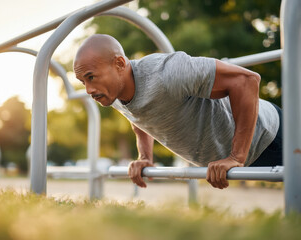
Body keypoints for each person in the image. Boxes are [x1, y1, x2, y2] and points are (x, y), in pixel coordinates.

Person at [73, 34, 282, 189]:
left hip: (271, 136)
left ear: (119, 63)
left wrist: (236, 156)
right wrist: (144, 156)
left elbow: (246, 80)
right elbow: (137, 115)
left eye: (91, 77)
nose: (88, 90)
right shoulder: (113, 93)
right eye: (83, 81)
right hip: (247, 155)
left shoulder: (167, 72)